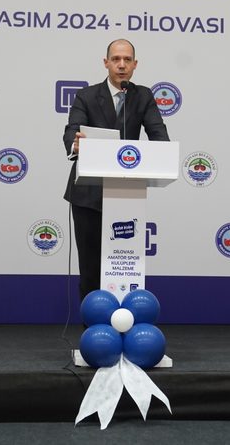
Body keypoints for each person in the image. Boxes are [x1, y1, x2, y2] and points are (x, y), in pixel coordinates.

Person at [63, 39, 170, 301]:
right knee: (90, 270)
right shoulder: (87, 95)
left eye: (127, 60)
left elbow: (159, 137)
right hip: (88, 196)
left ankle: (124, 318)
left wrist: (160, 152)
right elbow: (72, 131)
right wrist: (76, 143)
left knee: (124, 268)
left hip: (126, 195)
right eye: (116, 59)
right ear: (106, 63)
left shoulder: (143, 96)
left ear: (135, 64)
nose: (122, 65)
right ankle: (92, 324)